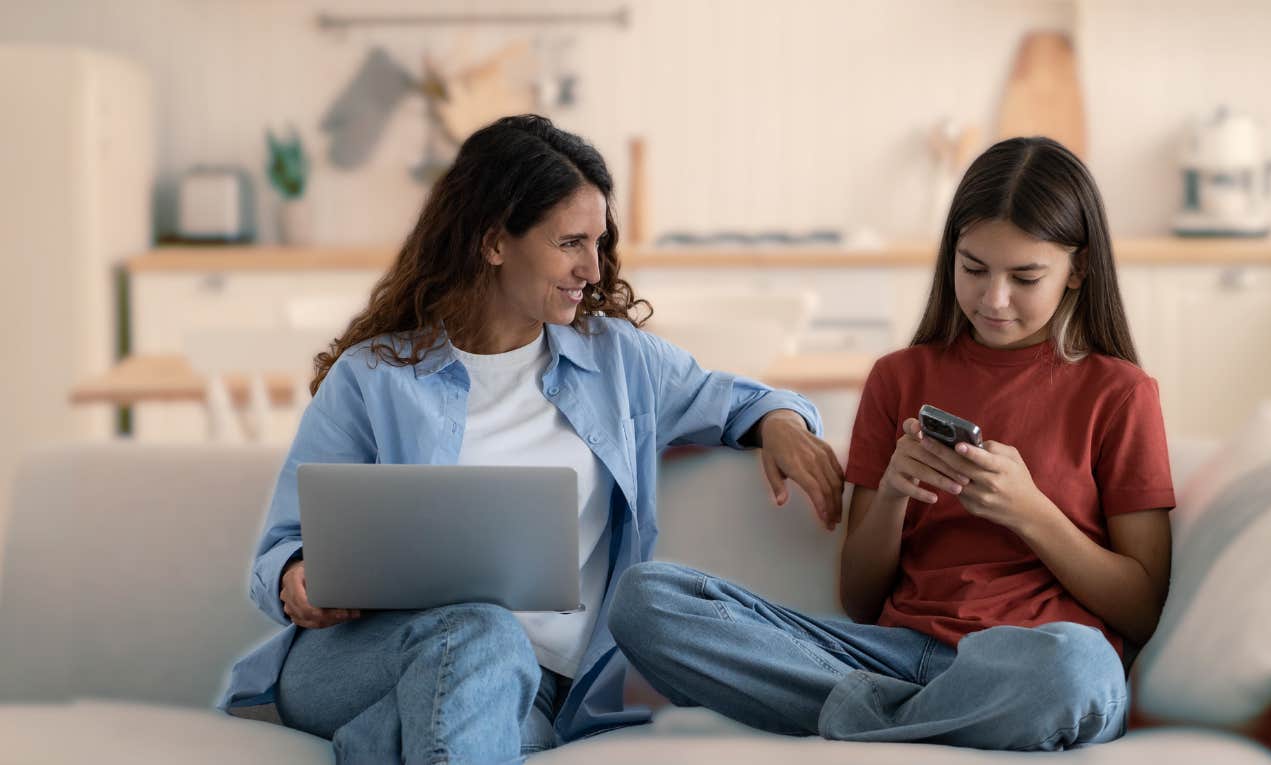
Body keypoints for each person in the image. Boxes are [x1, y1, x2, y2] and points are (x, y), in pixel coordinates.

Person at [218, 114, 845, 764]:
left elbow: (740, 398)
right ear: (494, 242)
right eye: (570, 242)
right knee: (483, 632)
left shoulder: (619, 363)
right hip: (365, 655)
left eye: (599, 243)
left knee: (479, 709)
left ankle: (378, 743)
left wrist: (781, 424)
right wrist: (296, 578)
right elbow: (282, 546)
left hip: (540, 688)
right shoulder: (374, 377)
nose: (593, 269)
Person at [609, 136, 1176, 751]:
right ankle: (920, 718)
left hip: (1032, 662)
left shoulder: (1120, 393)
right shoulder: (899, 378)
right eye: (974, 268)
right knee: (645, 601)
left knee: (1078, 668)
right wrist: (896, 495)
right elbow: (859, 598)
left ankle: (869, 721)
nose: (994, 298)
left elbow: (1141, 607)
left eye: (1025, 276)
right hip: (892, 655)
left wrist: (1031, 512)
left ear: (1080, 269)